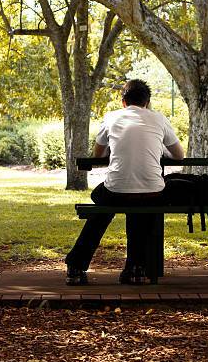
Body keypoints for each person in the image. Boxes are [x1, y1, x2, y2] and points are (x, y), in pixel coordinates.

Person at [65, 79, 184, 285]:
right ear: (147, 102)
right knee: (140, 206)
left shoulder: (111, 117)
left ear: (123, 102)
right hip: (152, 191)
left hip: (116, 190)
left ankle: (76, 266)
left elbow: (98, 153)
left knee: (101, 207)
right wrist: (158, 149)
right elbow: (179, 156)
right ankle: (136, 268)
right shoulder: (159, 119)